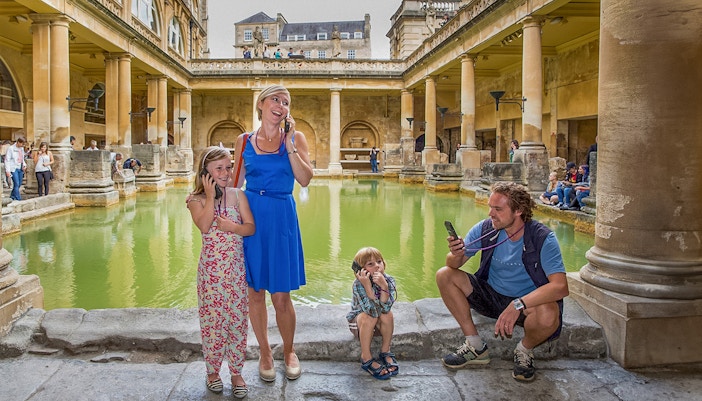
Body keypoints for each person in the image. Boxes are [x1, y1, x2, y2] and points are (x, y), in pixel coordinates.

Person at [436, 181, 569, 382]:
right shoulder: (486, 229)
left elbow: (560, 287)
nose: (491, 213)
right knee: (444, 274)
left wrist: (518, 304)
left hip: (526, 304)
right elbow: (453, 265)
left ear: (519, 210)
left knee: (550, 314)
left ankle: (524, 350)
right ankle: (475, 345)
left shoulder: (543, 238)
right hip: (491, 294)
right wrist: (456, 253)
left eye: (497, 209)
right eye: (490, 207)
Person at [231, 84, 313, 382]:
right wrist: (205, 200)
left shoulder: (296, 138)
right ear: (261, 104)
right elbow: (234, 183)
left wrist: (289, 143)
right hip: (251, 216)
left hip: (281, 217)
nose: (281, 105)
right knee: (255, 293)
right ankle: (265, 352)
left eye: (286, 102)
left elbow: (304, 179)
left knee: (281, 296)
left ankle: (289, 350)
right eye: (276, 99)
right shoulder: (244, 140)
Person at [187, 146, 255, 398]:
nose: (226, 172)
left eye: (228, 167)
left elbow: (250, 228)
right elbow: (205, 226)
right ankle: (213, 371)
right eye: (219, 168)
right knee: (212, 323)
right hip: (211, 274)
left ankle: (236, 372)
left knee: (237, 322)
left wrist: (233, 227)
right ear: (205, 173)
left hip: (235, 271)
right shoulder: (195, 200)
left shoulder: (238, 195)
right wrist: (208, 194)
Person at [346, 247, 398, 380]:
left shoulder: (389, 280)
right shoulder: (358, 285)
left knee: (388, 314)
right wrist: (368, 288)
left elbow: (385, 309)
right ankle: (366, 357)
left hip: (379, 322)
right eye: (370, 264)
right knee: (369, 317)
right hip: (360, 324)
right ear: (361, 270)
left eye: (379, 262)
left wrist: (384, 287)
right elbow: (372, 311)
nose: (377, 266)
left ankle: (385, 351)